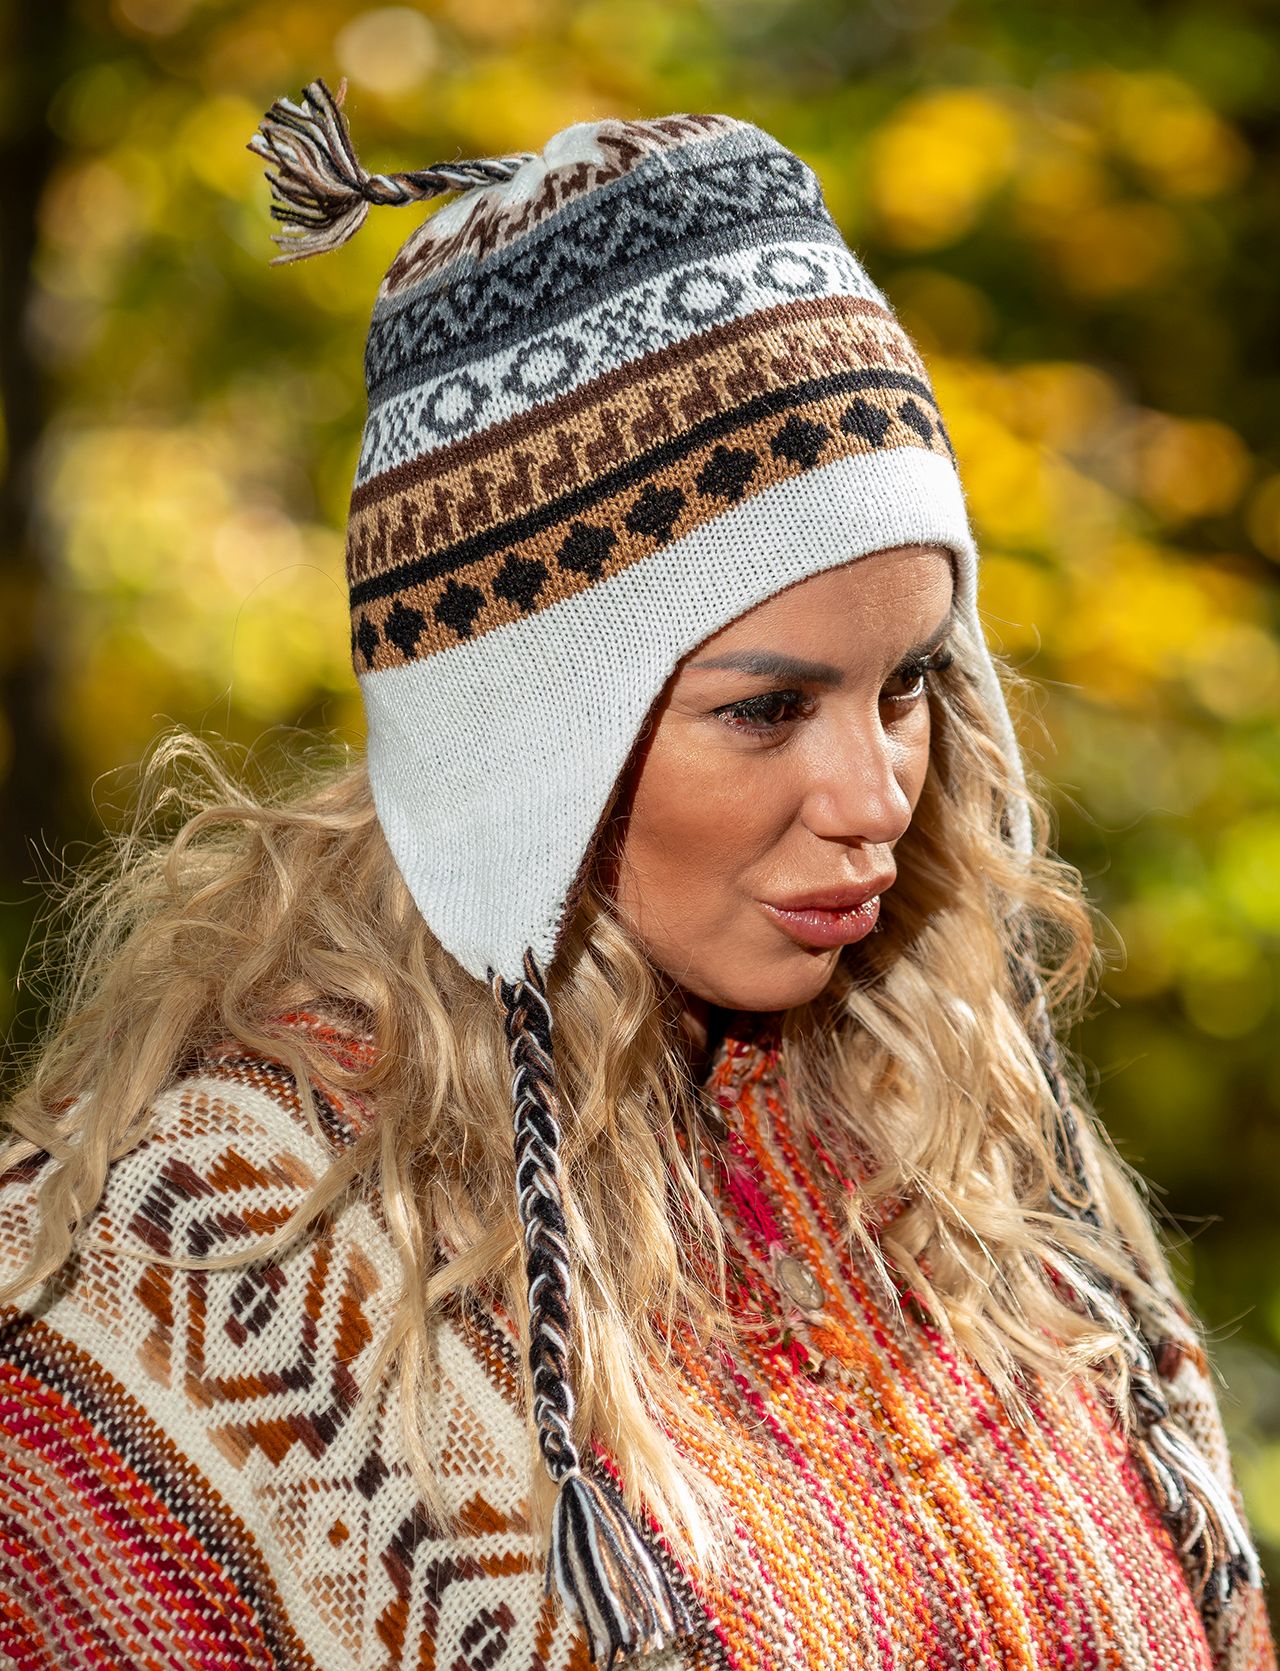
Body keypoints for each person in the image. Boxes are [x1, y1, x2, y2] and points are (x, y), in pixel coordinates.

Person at [0, 79, 1273, 1671]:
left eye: (906, 687)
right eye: (767, 710)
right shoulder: (211, 1256)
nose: (877, 796)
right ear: (526, 741)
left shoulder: (963, 1172)